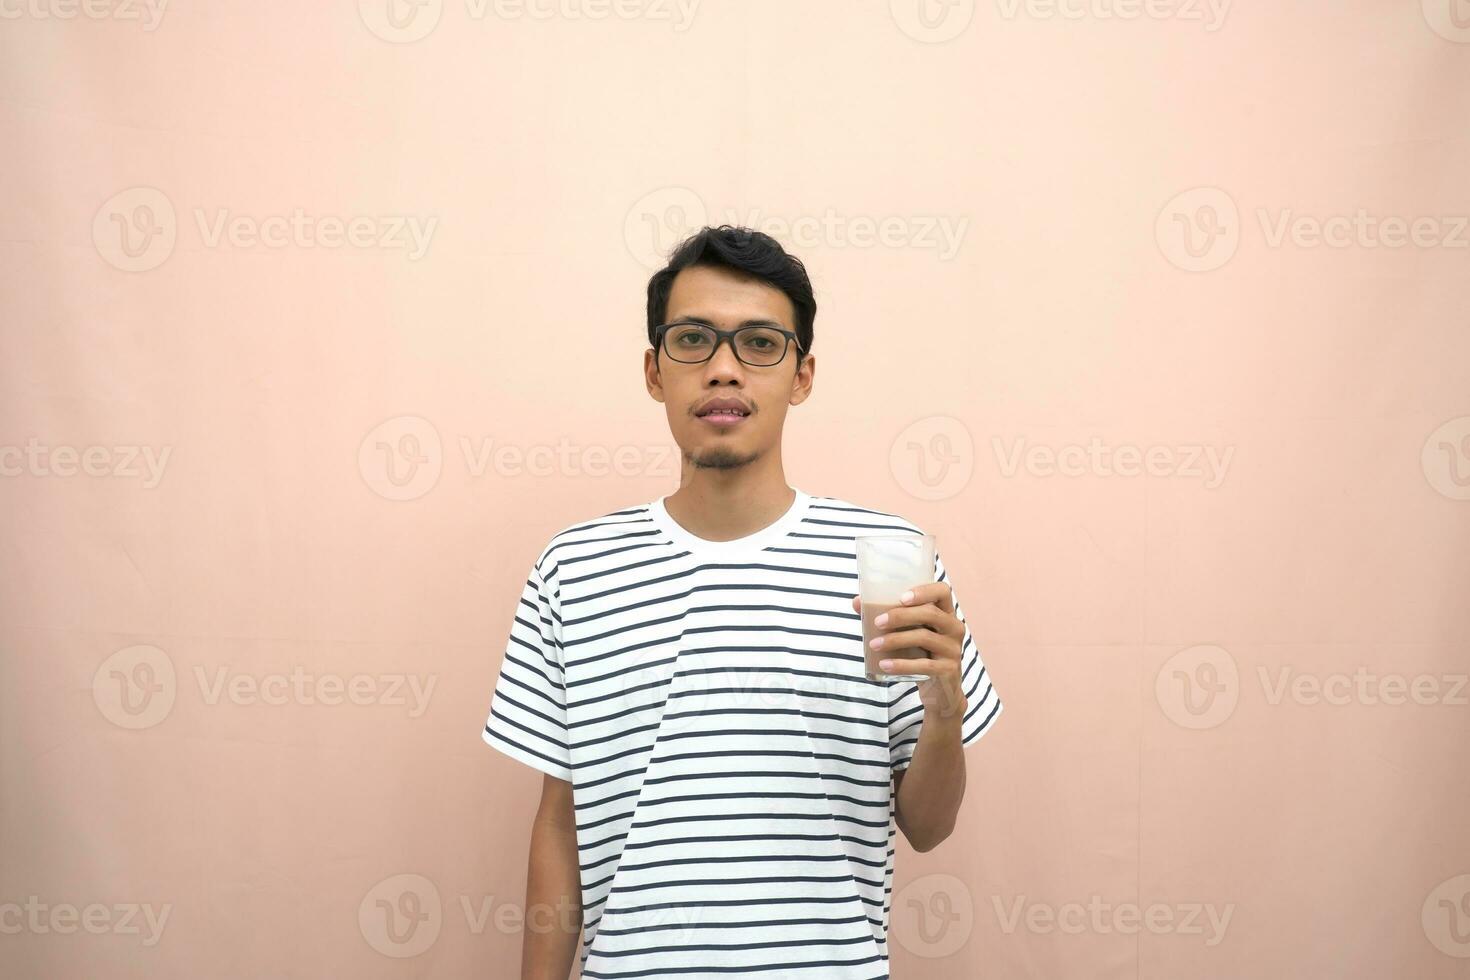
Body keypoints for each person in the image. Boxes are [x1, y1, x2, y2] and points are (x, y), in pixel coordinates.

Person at [480, 225, 1003, 979]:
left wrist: (945, 703)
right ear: (655, 372)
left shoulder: (892, 564)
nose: (724, 370)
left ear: (803, 375)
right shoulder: (575, 568)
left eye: (760, 344)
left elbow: (927, 827)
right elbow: (557, 828)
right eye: (694, 340)